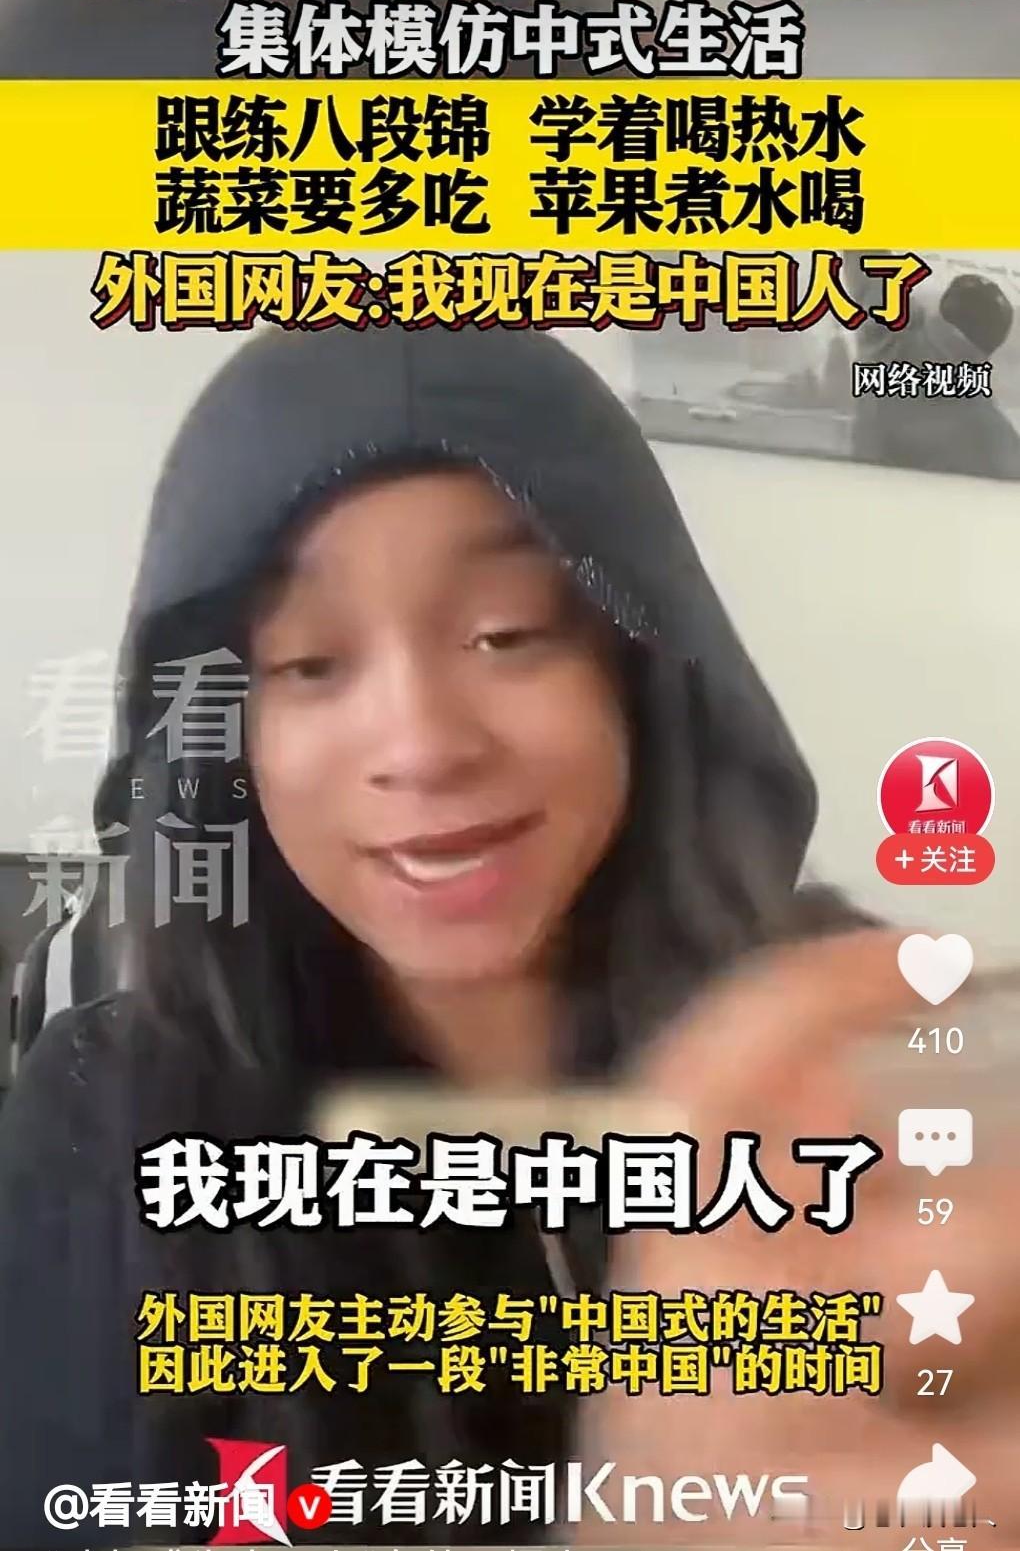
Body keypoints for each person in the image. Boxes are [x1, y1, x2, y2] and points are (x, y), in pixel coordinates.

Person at [0, 326, 1014, 1549]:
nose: (422, 743)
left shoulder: (862, 1059)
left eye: (507, 631)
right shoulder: (100, 1122)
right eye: (309, 661)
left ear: (637, 663)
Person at [843, 250, 1020, 479]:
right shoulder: (994, 434)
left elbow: (868, 261)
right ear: (992, 344)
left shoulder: (890, 341)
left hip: (855, 490)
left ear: (942, 311)